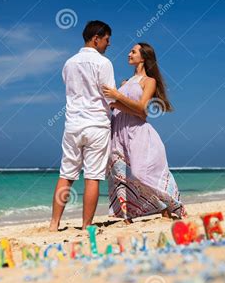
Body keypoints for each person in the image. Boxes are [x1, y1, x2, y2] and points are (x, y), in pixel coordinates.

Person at [102, 42, 188, 224]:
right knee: (120, 174)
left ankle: (168, 204)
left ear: (143, 57)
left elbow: (142, 110)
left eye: (133, 51)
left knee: (140, 174)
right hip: (118, 130)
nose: (129, 53)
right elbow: (123, 106)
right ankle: (127, 217)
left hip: (137, 133)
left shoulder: (149, 81)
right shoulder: (125, 83)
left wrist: (117, 98)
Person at [49, 20, 115, 232]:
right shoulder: (104, 63)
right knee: (93, 177)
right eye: (106, 40)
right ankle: (87, 225)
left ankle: (53, 224)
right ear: (96, 39)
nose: (108, 44)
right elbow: (110, 98)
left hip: (73, 124)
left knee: (66, 175)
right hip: (96, 124)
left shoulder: (68, 63)